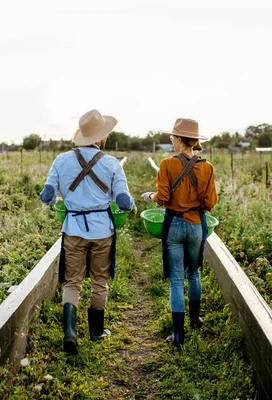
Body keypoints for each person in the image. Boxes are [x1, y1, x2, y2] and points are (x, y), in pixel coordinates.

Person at [40, 109, 135, 355]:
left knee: (73, 281)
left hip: (73, 230)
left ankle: (70, 332)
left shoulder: (61, 160)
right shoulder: (112, 164)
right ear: (102, 137)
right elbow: (124, 201)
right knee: (99, 281)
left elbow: (48, 194)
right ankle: (96, 332)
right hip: (102, 232)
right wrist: (128, 203)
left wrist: (55, 201)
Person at [141, 118, 217, 347]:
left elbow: (162, 198)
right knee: (194, 274)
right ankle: (195, 320)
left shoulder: (167, 165)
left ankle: (178, 335)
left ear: (181, 140)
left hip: (173, 225)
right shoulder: (207, 167)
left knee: (176, 280)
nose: (171, 140)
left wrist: (150, 196)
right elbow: (210, 203)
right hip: (195, 225)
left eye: (173, 137)